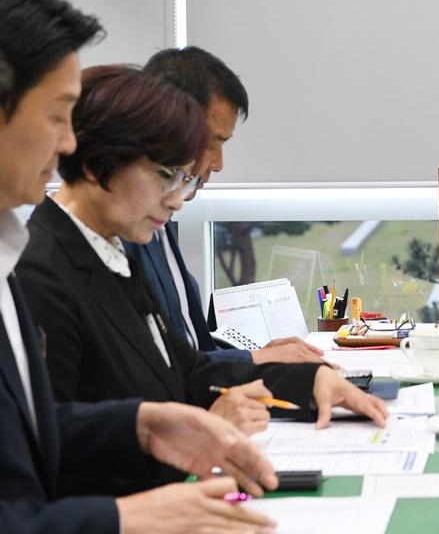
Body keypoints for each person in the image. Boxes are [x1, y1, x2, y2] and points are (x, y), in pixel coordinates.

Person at [17, 64, 388, 494]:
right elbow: (52, 454)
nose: (176, 199)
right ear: (101, 164)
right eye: (165, 175)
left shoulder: (111, 254)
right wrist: (203, 429)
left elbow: (188, 373)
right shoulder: (39, 273)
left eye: (183, 179)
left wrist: (313, 381)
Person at [0, 0, 279, 533]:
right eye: (57, 115)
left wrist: (143, 425)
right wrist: (121, 515)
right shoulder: (38, 267)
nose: (67, 143)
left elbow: (42, 429)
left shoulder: (68, 256)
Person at [127, 45, 322, 365]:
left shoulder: (161, 225)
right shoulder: (127, 233)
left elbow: (193, 351)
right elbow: (164, 368)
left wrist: (257, 356)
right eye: (213, 143)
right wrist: (254, 360)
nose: (217, 164)